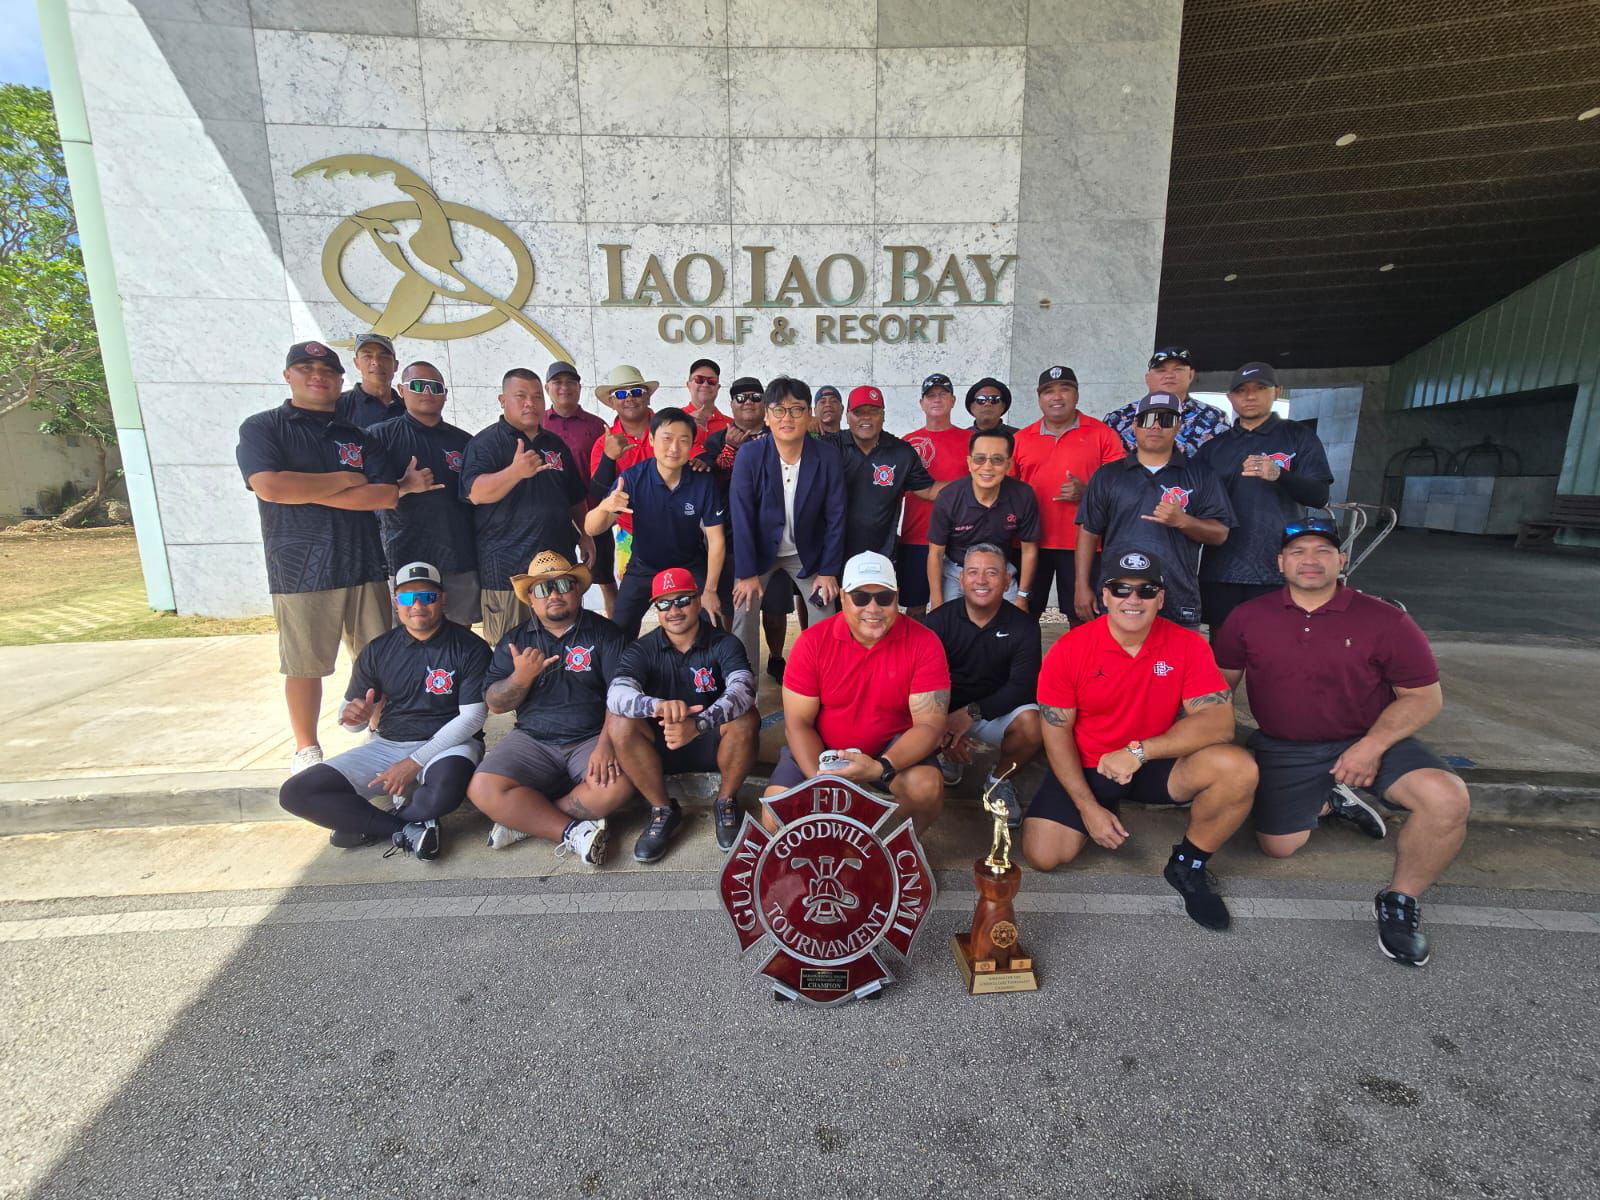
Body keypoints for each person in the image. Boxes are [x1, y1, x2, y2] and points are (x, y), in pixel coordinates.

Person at [1214, 520, 1470, 967]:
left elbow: (1424, 698)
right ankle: (1333, 800)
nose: (1310, 560)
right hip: (1284, 746)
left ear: (1342, 560)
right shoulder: (1248, 617)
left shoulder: (1385, 619)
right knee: (1277, 846)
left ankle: (1400, 902)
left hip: (1369, 738)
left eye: (1322, 550)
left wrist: (1372, 746)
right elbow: (1219, 689)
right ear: (1280, 563)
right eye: (1298, 551)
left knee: (1447, 799)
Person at [1024, 551, 1257, 931]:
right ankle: (1103, 807)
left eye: (1146, 590)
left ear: (1160, 599)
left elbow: (1219, 723)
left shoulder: (1188, 644)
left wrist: (1139, 751)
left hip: (1152, 762)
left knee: (1238, 768)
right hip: (1090, 765)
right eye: (1121, 589)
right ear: (1104, 595)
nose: (1133, 599)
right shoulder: (1070, 648)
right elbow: (1055, 733)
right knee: (1043, 855)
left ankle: (1188, 864)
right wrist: (1087, 807)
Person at [237, 340, 436, 773]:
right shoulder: (264, 427)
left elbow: (384, 495)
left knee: (378, 659)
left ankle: (382, 731)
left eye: (327, 371)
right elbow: (270, 487)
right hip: (299, 567)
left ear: (340, 379)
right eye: (306, 369)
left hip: (363, 562)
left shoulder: (358, 436)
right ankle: (306, 747)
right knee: (304, 663)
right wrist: (345, 479)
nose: (318, 377)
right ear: (288, 376)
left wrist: (305, 490)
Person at [278, 564, 491, 860]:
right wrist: (354, 717)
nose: (417, 606)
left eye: (427, 597)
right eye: (407, 598)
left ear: (442, 599)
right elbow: (350, 719)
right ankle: (404, 829)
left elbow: (473, 717)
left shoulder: (470, 647)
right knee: (296, 792)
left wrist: (413, 762)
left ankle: (366, 824)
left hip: (449, 745)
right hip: (388, 744)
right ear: (395, 602)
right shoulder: (378, 650)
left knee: (446, 789)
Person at [467, 551, 632, 865]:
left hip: (590, 738)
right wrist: (520, 678)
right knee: (482, 788)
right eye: (542, 588)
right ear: (531, 599)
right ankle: (572, 831)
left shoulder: (606, 633)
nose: (553, 594)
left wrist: (606, 744)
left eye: (563, 585)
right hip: (533, 740)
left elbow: (621, 696)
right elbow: (495, 704)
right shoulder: (515, 640)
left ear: (578, 590)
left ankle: (525, 820)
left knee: (618, 788)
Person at [768, 552, 949, 833]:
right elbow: (798, 724)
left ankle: (894, 850)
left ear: (897, 597)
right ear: (843, 598)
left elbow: (930, 725)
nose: (873, 608)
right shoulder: (811, 643)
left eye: (884, 598)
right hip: (823, 751)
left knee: (926, 789)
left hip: (891, 750)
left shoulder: (924, 642)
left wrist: (881, 767)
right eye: (861, 597)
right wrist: (824, 782)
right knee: (775, 816)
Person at [606, 567, 759, 858]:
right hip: (662, 743)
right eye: (664, 603)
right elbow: (616, 695)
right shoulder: (641, 649)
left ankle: (726, 801)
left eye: (682, 600)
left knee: (746, 718)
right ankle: (662, 809)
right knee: (618, 722)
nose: (673, 610)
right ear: (656, 609)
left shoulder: (724, 642)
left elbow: (744, 689)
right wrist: (658, 706)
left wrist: (699, 724)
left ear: (698, 601)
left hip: (713, 743)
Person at [1074, 392, 1235, 629]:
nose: (1156, 426)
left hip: (1178, 597)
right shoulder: (1107, 475)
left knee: (1177, 655)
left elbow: (1220, 533)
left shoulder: (1202, 475)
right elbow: (1088, 532)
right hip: (1120, 596)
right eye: (1148, 419)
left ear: (1178, 426)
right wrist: (1081, 586)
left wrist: (1183, 521)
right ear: (1135, 425)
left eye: (1166, 420)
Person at [1195, 362, 1335, 634]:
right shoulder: (1213, 448)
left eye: (1260, 388)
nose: (1250, 396)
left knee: (1276, 648)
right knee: (1224, 648)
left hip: (1279, 568)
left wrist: (1280, 474)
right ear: (1230, 398)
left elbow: (1319, 496)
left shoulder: (1298, 437)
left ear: (1277, 391)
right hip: (1222, 569)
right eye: (1241, 390)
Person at [462, 369, 590, 647]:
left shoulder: (555, 444)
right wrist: (515, 472)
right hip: (507, 572)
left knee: (563, 645)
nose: (530, 403)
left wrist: (585, 534)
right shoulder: (485, 444)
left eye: (536, 397)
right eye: (520, 396)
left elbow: (574, 497)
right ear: (502, 400)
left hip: (557, 567)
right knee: (511, 651)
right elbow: (475, 493)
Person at [920, 544, 1043, 826]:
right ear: (961, 579)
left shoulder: (1024, 626)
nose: (981, 580)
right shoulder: (937, 622)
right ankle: (948, 756)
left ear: (1007, 581)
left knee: (1034, 725)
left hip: (994, 712)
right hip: (944, 711)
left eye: (992, 573)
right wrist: (943, 727)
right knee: (912, 722)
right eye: (973, 572)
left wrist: (971, 713)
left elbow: (1023, 686)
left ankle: (998, 780)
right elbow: (920, 684)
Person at [728, 377, 845, 674]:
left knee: (825, 610)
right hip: (759, 554)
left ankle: (820, 685)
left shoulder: (827, 456)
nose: (787, 418)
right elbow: (741, 516)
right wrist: (746, 573)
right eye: (779, 410)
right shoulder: (750, 455)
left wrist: (829, 571)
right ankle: (743, 689)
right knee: (744, 608)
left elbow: (836, 516)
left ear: (809, 414)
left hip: (807, 554)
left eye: (796, 409)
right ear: (767, 416)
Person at [585, 407, 726, 638]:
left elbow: (716, 540)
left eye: (683, 440)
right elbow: (592, 528)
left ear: (692, 444)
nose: (674, 448)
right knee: (619, 632)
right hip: (643, 566)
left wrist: (710, 590)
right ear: (651, 440)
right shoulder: (632, 478)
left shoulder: (702, 481)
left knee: (712, 621)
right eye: (667, 439)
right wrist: (605, 507)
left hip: (690, 566)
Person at [369, 361, 479, 626]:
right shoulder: (379, 437)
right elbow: (363, 494)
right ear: (401, 390)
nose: (427, 392)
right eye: (418, 386)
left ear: (445, 394)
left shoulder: (465, 442)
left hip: (458, 556)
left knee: (459, 635)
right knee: (409, 634)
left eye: (435, 387)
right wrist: (404, 486)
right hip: (404, 556)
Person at [1011, 365, 1125, 622]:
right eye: (1048, 391)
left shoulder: (1103, 435)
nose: (1057, 396)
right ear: (1039, 398)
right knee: (1023, 616)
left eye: (1065, 389)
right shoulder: (1021, 439)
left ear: (1077, 395)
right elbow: (1008, 490)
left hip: (1084, 544)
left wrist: (1088, 492)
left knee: (1083, 616)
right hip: (1029, 544)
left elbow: (1122, 489)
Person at [926, 428, 1039, 608]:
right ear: (969, 463)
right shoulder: (949, 497)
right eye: (980, 459)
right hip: (956, 569)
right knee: (945, 620)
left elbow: (1029, 550)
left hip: (1000, 569)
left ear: (1009, 465)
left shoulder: (1023, 495)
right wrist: (937, 602)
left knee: (1015, 619)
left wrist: (1022, 596)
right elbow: (936, 553)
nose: (987, 467)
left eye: (997, 459)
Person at [825, 384, 936, 560]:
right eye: (858, 412)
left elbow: (928, 490)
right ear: (847, 416)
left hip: (881, 556)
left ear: (883, 416)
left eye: (874, 411)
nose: (866, 417)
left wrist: (973, 485)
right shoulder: (828, 447)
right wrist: (808, 422)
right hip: (831, 554)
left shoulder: (902, 452)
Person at [540, 360, 615, 618]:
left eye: (571, 382)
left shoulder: (596, 426)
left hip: (594, 516)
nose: (565, 388)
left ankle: (615, 632)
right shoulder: (537, 424)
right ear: (547, 388)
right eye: (558, 382)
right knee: (554, 583)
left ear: (579, 388)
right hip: (551, 519)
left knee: (605, 579)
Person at [897, 373, 973, 616]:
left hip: (960, 538)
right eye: (931, 395)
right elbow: (895, 494)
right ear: (922, 403)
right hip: (916, 537)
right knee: (915, 608)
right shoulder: (907, 443)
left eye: (943, 394)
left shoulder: (971, 441)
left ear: (953, 400)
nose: (937, 399)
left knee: (960, 607)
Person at [588, 365, 660, 588]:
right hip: (629, 534)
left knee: (680, 598)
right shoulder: (603, 443)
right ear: (612, 402)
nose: (629, 398)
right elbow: (598, 493)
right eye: (621, 394)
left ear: (647, 396)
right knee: (633, 603)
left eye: (636, 392)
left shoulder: (668, 431)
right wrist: (609, 457)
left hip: (675, 529)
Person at [1104, 346, 1230, 454]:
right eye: (1161, 370)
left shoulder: (1214, 417)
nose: (1169, 375)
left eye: (1178, 369)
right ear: (1147, 378)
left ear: (1191, 375)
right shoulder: (1119, 418)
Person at [336, 332, 405, 428]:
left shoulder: (409, 407)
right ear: (356, 363)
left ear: (396, 365)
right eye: (367, 356)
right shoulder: (338, 405)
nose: (376, 362)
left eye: (384, 356)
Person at [685, 357, 731, 437]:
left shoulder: (731, 427)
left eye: (711, 381)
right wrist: (687, 423)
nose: (705, 385)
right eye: (699, 379)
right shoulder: (672, 420)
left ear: (718, 388)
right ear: (688, 385)